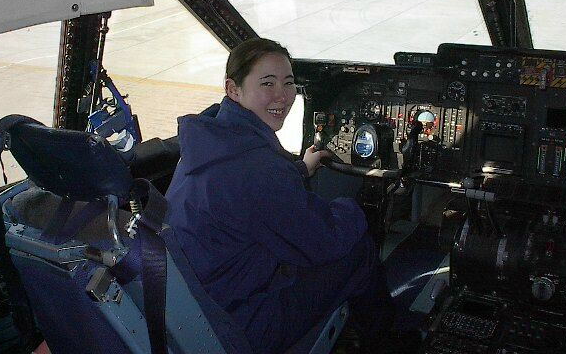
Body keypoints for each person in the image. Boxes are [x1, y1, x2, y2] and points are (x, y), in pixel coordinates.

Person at [166, 38, 395, 353]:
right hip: (241, 325)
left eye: (288, 83)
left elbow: (247, 198)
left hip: (197, 305)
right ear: (233, 89)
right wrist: (354, 209)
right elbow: (323, 241)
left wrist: (299, 171)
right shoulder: (258, 170)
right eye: (267, 83)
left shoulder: (212, 141)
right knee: (357, 248)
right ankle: (387, 342)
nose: (282, 96)